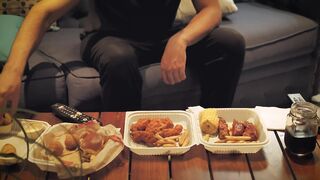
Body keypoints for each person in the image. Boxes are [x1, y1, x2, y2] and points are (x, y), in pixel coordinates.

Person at [0, 0, 245, 113]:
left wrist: (181, 39)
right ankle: (124, 145)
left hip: (160, 36)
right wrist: (12, 70)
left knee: (229, 42)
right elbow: (43, 12)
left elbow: (211, 9)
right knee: (119, 59)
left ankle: (211, 126)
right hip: (110, 37)